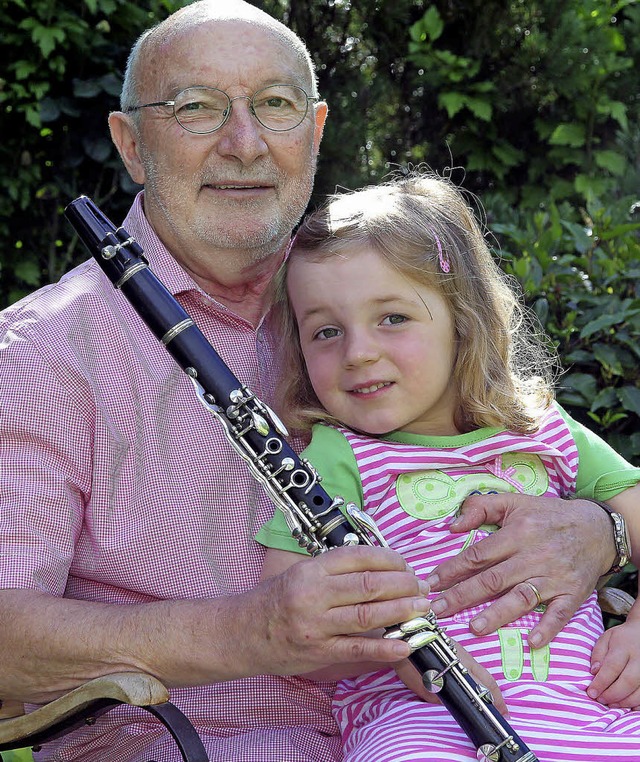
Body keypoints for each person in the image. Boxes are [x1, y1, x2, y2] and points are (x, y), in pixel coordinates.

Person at [0, 1, 631, 760]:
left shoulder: (372, 284)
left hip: (520, 725)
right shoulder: (41, 352)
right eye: (197, 109)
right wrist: (254, 630)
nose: (245, 143)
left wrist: (607, 534)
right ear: (132, 145)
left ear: (317, 130)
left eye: (275, 105)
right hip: (208, 742)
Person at [256, 171, 640, 761]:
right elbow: (286, 609)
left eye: (392, 318)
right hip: (428, 719)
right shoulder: (336, 456)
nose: (357, 352)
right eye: (326, 331)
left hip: (595, 708)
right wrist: (404, 652)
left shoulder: (541, 427)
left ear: (464, 318)